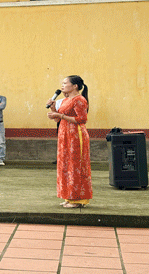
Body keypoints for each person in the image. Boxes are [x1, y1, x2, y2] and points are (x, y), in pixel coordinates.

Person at [47, 75, 92, 208]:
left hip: (75, 136)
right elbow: (58, 120)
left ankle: (78, 199)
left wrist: (59, 115)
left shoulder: (79, 100)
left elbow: (82, 119)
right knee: (66, 166)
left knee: (75, 166)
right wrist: (53, 109)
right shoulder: (67, 100)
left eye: (65, 83)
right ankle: (69, 197)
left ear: (75, 86)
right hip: (64, 136)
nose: (62, 85)